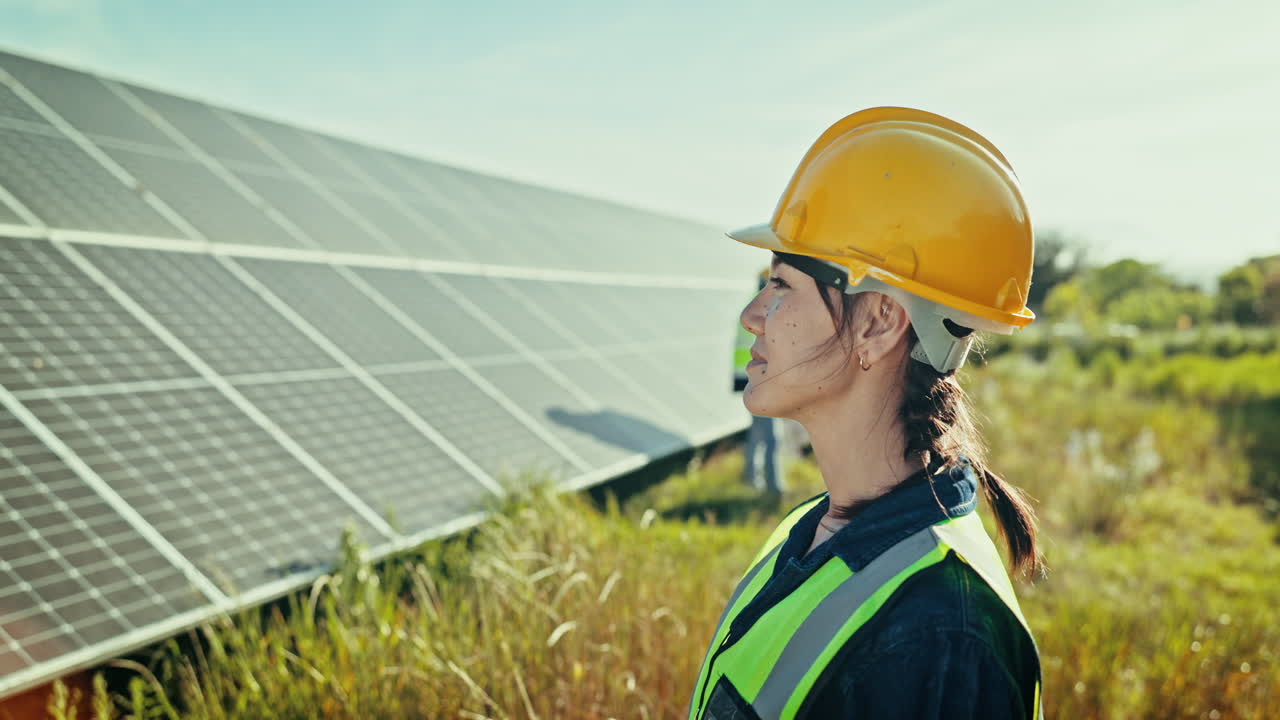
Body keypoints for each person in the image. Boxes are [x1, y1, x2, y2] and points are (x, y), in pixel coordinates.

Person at [688, 107, 1044, 719]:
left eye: (782, 285)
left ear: (879, 320)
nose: (751, 314)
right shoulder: (809, 528)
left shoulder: (942, 638)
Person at [735, 269, 785, 496]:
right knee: (772, 438)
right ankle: (774, 487)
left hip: (751, 378)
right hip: (762, 379)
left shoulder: (752, 309)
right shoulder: (767, 312)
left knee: (757, 434)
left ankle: (751, 478)